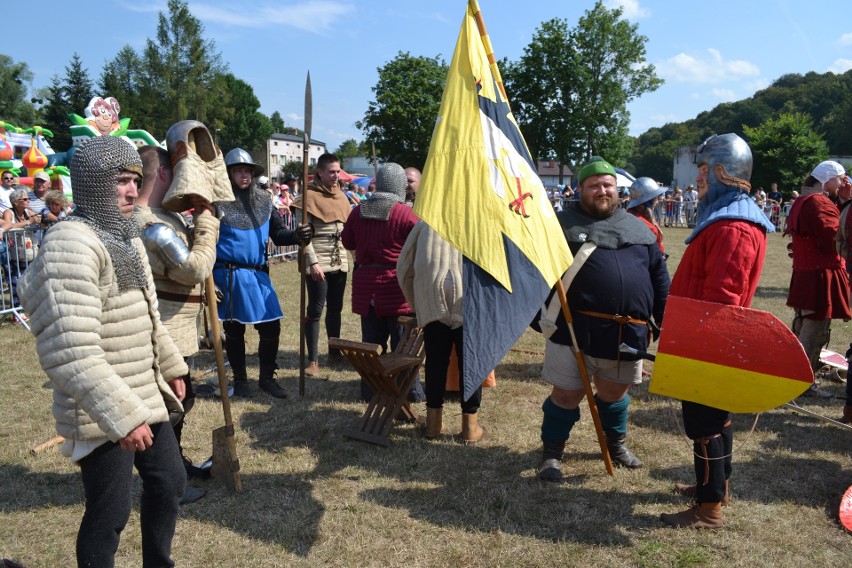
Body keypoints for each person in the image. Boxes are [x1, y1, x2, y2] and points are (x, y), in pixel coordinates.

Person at [17, 136, 189, 567]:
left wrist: (170, 365)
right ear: (92, 183)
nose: (132, 190)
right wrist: (122, 416)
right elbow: (71, 350)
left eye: (134, 180)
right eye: (120, 181)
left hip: (143, 388)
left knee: (169, 481)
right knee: (110, 511)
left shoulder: (126, 235)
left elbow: (148, 312)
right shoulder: (70, 244)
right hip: (101, 405)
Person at [660, 133, 775, 529]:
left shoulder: (734, 227)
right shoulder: (728, 217)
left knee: (705, 425)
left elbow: (722, 299)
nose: (699, 179)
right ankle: (715, 488)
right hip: (703, 337)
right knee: (715, 420)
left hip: (709, 340)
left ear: (725, 172)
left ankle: (709, 510)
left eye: (705, 170)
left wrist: (695, 345)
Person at [534, 157, 669, 481]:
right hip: (573, 332)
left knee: (615, 395)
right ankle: (552, 454)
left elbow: (659, 279)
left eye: (608, 184)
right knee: (565, 395)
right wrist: (538, 318)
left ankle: (616, 444)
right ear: (580, 189)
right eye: (594, 185)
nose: (602, 190)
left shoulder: (640, 229)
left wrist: (665, 320)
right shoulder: (559, 226)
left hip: (626, 334)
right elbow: (534, 275)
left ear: (618, 189)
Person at [134, 145, 220, 502]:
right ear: (166, 174)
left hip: (179, 332)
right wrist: (207, 220)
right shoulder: (147, 223)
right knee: (167, 407)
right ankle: (165, 482)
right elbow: (194, 268)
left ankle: (176, 466)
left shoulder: (163, 218)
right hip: (162, 332)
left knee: (183, 401)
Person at [214, 148, 313, 398]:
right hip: (229, 274)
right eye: (239, 171)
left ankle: (266, 378)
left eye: (247, 171)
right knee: (235, 330)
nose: (244, 175)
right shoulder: (217, 204)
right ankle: (242, 381)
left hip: (258, 275)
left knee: (271, 327)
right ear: (229, 174)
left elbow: (279, 235)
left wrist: (297, 236)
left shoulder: (263, 201)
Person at [341, 162, 424, 402]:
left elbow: (348, 243)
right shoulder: (406, 213)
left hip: (367, 286)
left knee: (372, 344)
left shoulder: (358, 211)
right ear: (398, 185)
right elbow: (419, 246)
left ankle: (372, 390)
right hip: (396, 287)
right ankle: (410, 392)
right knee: (403, 347)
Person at [397, 220, 485, 442]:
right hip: (469, 300)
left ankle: (433, 426)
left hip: (433, 298)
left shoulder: (425, 221)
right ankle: (470, 429)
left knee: (436, 362)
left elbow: (403, 267)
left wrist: (418, 305)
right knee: (471, 364)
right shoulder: (480, 220)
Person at [784, 160, 851, 397]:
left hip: (809, 272)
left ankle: (796, 379)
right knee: (814, 329)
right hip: (820, 274)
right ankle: (801, 383)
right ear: (827, 179)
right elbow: (836, 238)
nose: (844, 182)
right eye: (841, 178)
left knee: (804, 325)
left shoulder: (805, 200)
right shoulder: (819, 202)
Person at [295, 153, 351, 376]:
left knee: (335, 308)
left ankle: (334, 353)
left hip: (340, 260)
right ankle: (313, 360)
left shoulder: (342, 196)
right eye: (331, 172)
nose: (336, 175)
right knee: (316, 310)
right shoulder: (308, 196)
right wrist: (313, 262)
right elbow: (303, 236)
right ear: (320, 172)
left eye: (338, 171)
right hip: (319, 260)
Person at [626, 177, 667, 255]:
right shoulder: (648, 227)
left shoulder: (628, 215)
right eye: (656, 199)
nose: (657, 202)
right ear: (648, 202)